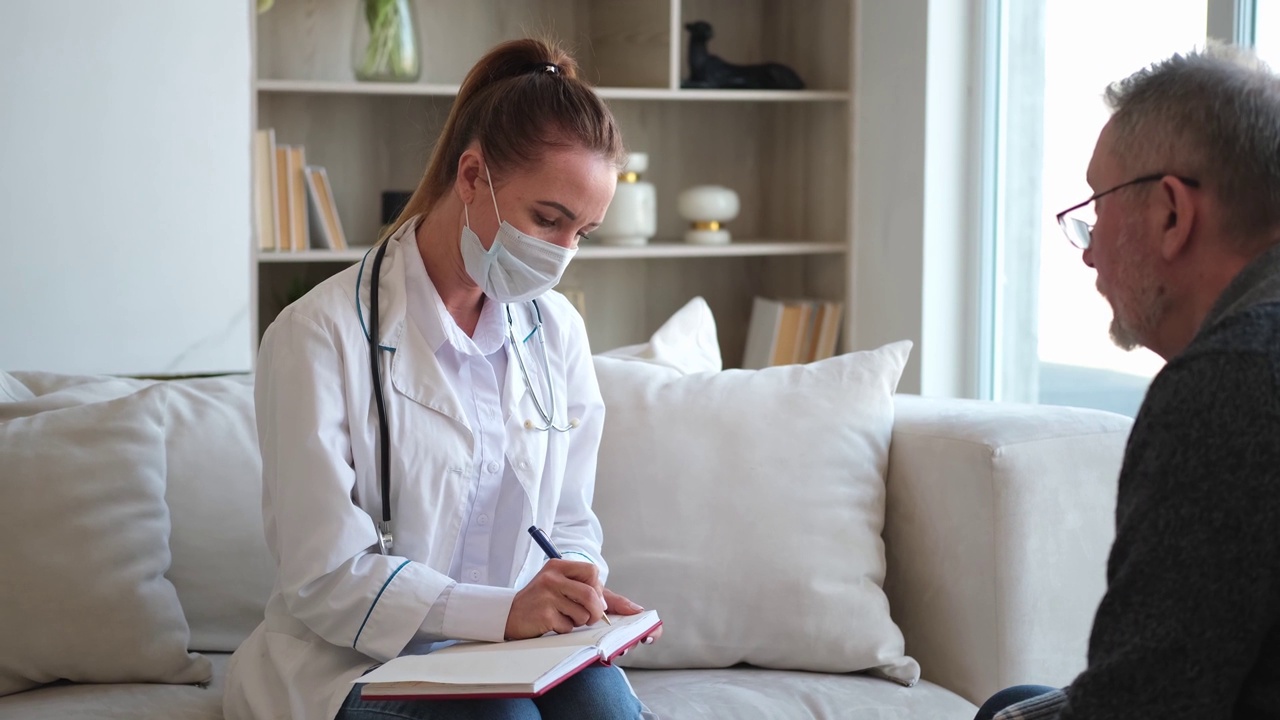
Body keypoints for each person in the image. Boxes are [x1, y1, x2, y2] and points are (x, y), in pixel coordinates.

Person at [223, 38, 659, 720]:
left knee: (610, 713)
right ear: (471, 175)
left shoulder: (557, 334)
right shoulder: (317, 336)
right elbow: (324, 578)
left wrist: (579, 583)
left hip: (518, 647)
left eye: (584, 232)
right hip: (355, 665)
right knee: (498, 717)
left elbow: (571, 518)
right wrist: (501, 611)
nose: (561, 254)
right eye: (548, 219)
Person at [976, 43, 1280, 720]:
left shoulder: (1228, 384)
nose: (1087, 250)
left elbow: (1149, 702)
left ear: (1171, 212)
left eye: (1098, 205)